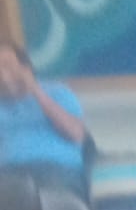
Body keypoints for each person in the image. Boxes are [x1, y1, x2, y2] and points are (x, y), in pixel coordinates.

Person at [0, 39, 92, 197]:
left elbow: (76, 134)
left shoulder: (58, 93)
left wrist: (35, 91)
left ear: (25, 68)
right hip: (8, 175)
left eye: (6, 66)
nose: (2, 74)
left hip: (54, 169)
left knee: (50, 203)